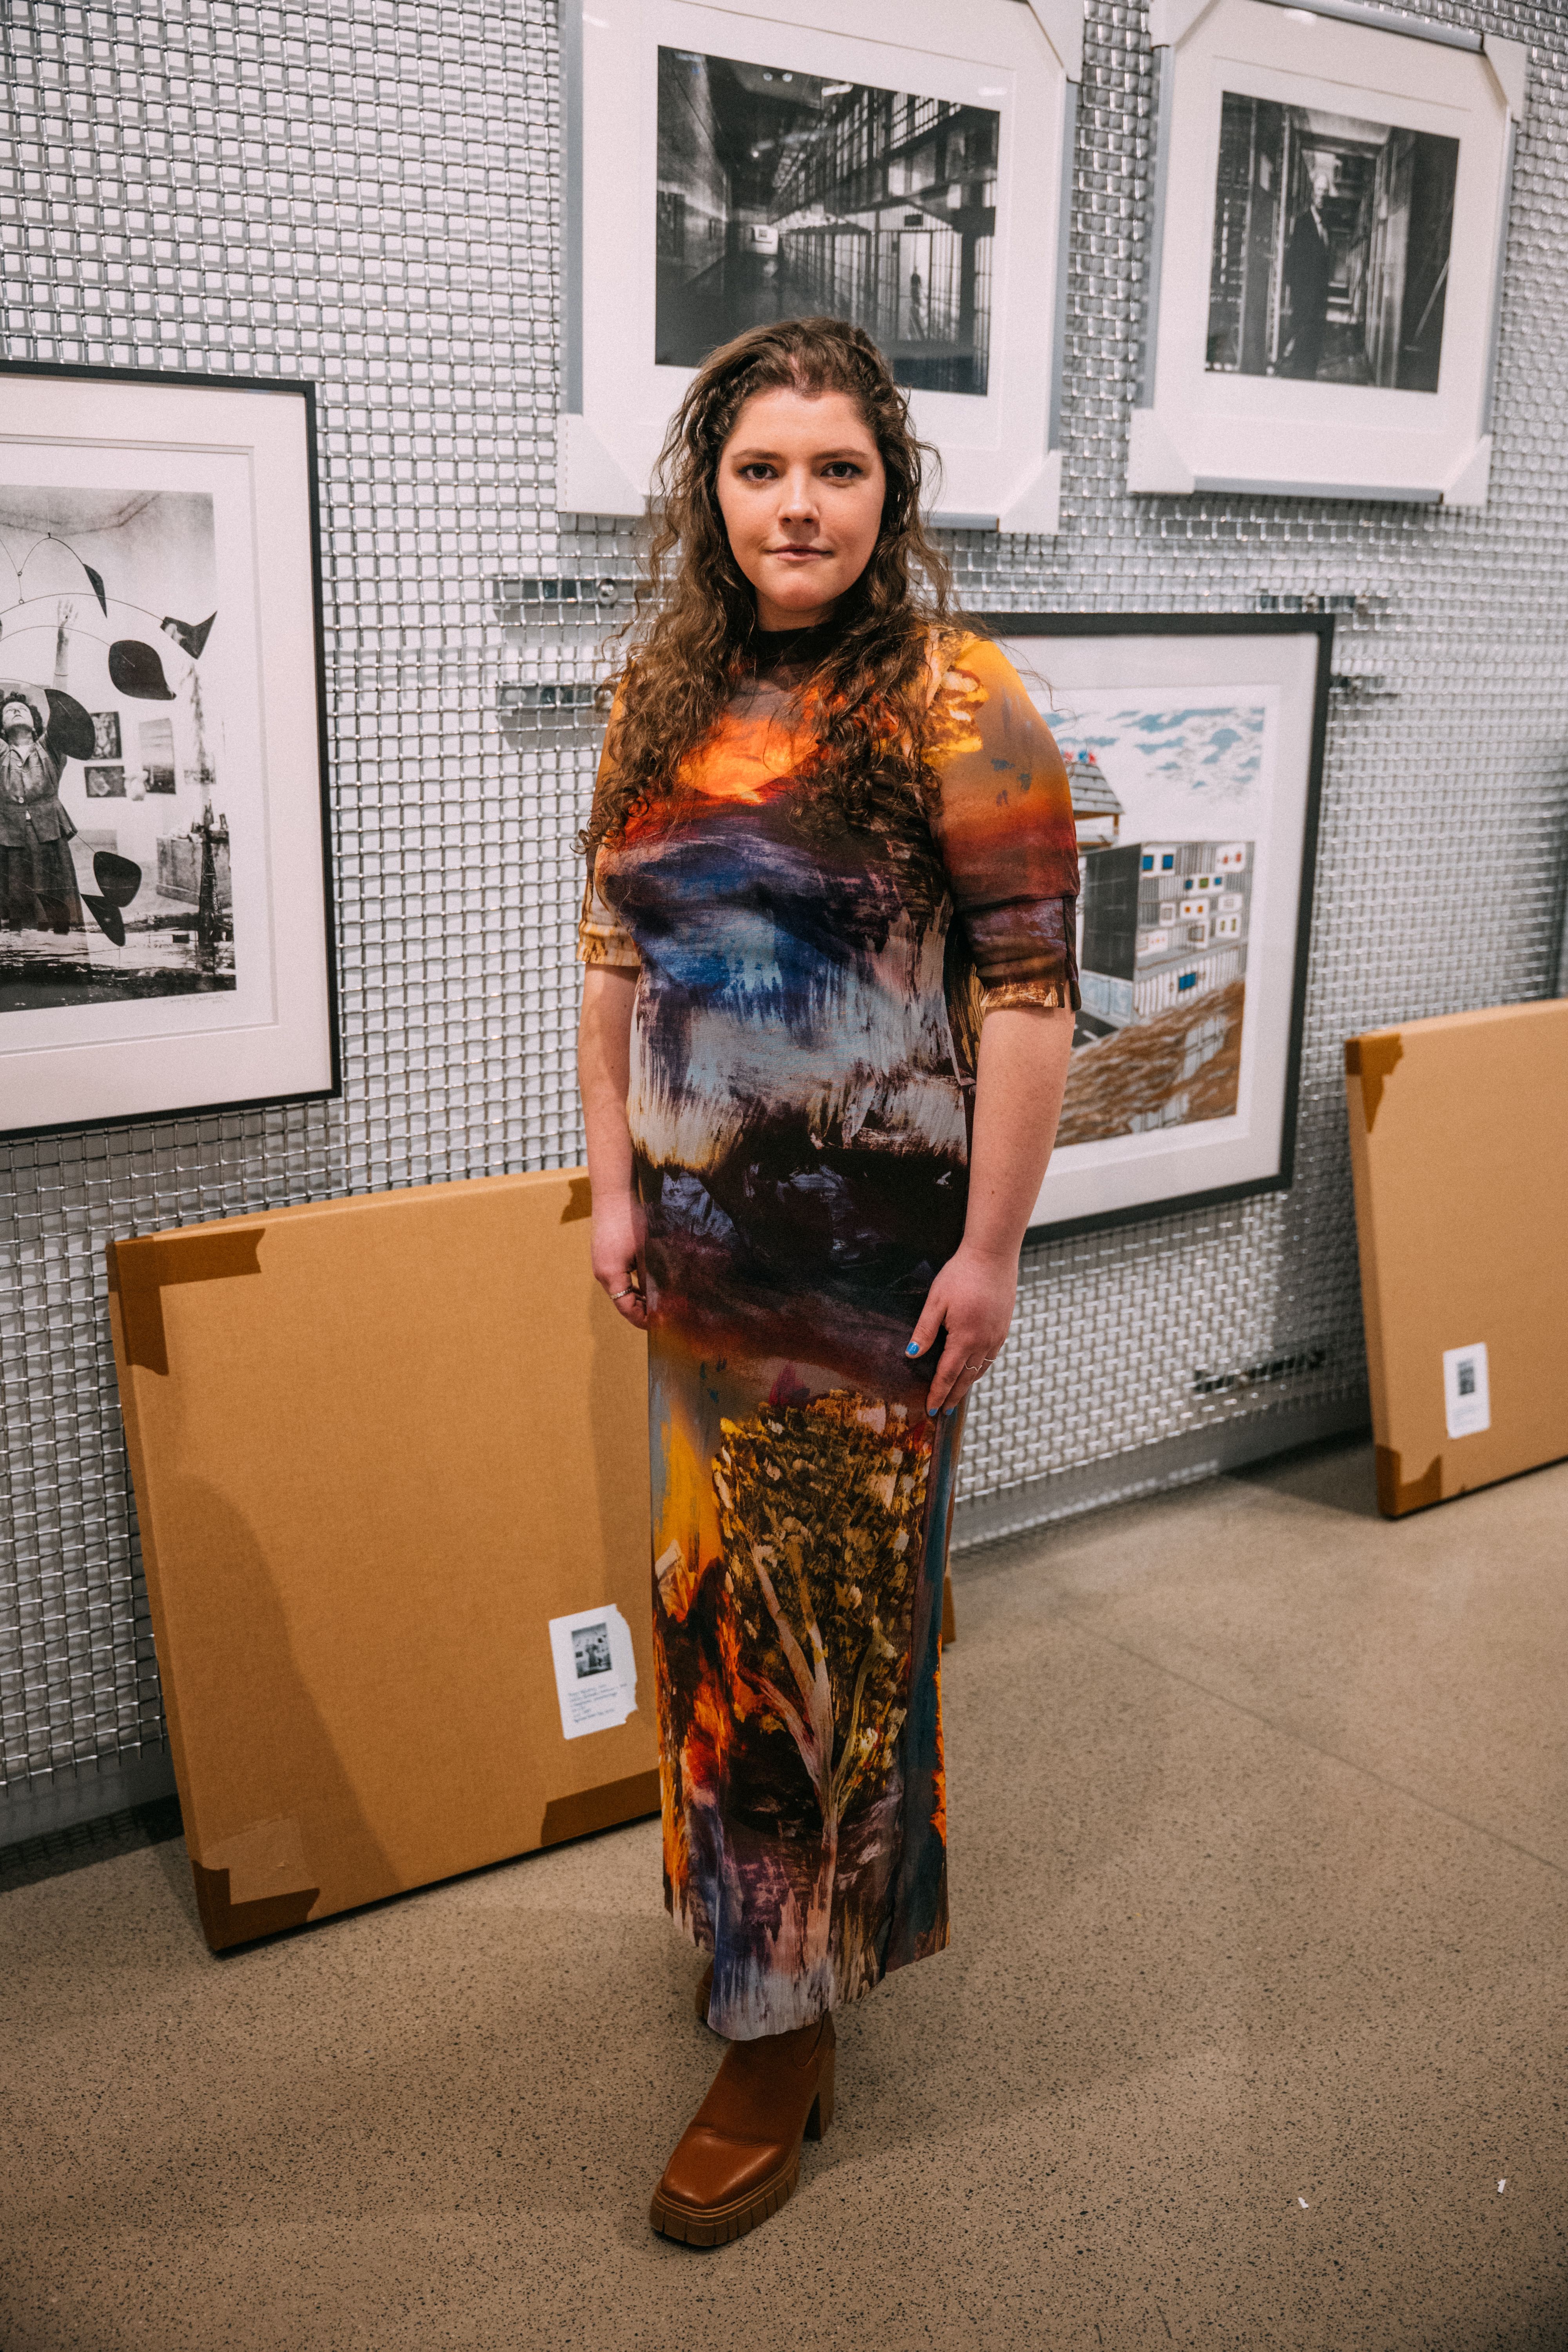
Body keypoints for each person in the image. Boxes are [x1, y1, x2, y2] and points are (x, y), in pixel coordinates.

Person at [575, 317, 1079, 2247]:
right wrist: (613, 1188)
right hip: (699, 1266)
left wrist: (990, 1250)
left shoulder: (957, 700)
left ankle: (784, 2022)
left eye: (837, 469)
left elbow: (1030, 1002)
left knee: (829, 1640)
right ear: (709, 490)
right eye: (761, 468)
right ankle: (762, 1939)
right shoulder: (656, 695)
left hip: (871, 1273)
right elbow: (613, 964)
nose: (798, 504)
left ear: (890, 490)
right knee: (708, 1612)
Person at [0, 678, 84, 936]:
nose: (15, 711)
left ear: (36, 722)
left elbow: (63, 716)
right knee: (15, 911)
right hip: (8, 838)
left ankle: (64, 964)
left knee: (59, 913)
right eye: (8, 711)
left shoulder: (50, 747)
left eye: (22, 709)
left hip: (51, 838)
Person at [1281, 164, 1334, 380]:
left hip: (1318, 304)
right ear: (1312, 192)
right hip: (1304, 302)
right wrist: (1299, 298)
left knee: (1311, 355)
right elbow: (1291, 264)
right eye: (1319, 190)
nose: (1322, 194)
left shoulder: (1326, 225)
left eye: (1325, 191)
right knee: (1302, 357)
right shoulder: (1303, 224)